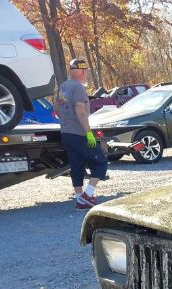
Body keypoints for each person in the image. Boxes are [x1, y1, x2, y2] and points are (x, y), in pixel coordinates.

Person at [56, 59, 107, 210]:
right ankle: (88, 194)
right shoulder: (78, 87)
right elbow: (80, 109)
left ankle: (80, 200)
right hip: (79, 133)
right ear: (83, 72)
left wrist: (66, 121)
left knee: (76, 166)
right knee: (101, 162)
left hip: (66, 133)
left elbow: (57, 110)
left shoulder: (63, 87)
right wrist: (88, 133)